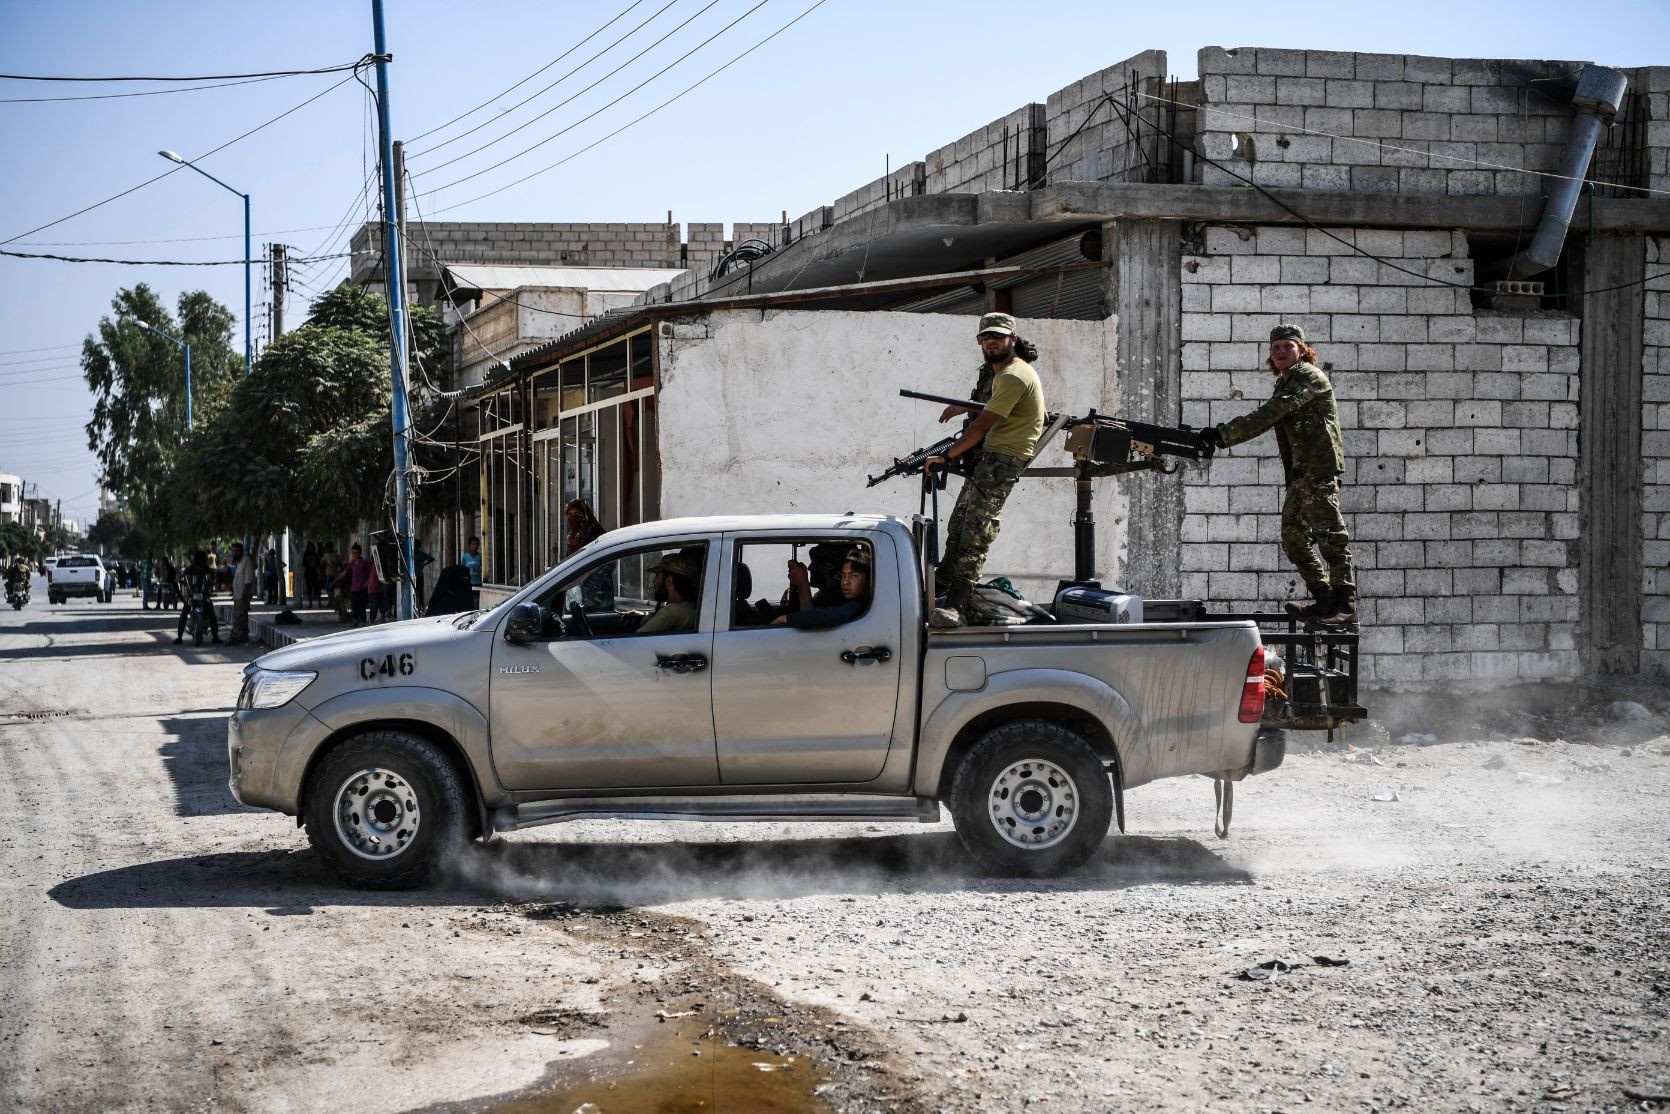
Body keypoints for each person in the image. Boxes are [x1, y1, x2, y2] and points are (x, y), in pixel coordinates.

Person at [1199, 323, 1356, 625]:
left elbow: (1270, 414)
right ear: (1270, 356)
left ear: (1302, 351)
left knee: (1330, 537)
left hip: (1318, 471)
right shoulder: (1284, 384)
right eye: (1276, 348)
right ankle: (1325, 601)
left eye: (1288, 346)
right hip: (1301, 475)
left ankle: (1345, 606)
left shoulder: (1309, 377)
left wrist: (1223, 434)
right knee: (1294, 538)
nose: (1281, 351)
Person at [922, 311, 1047, 627]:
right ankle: (940, 594)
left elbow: (981, 426)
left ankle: (955, 607)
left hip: (1002, 460)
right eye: (986, 337)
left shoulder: (1014, 374)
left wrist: (946, 457)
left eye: (998, 337)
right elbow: (986, 404)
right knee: (958, 528)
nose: (991, 342)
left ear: (1012, 340)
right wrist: (962, 406)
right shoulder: (999, 374)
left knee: (976, 534)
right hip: (990, 459)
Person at [772, 548, 872, 629]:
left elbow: (825, 616)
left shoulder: (863, 604)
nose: (845, 581)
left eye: (853, 576)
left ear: (868, 580)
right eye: (843, 575)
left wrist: (785, 619)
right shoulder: (837, 597)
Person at [635, 553, 699, 634]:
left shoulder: (671, 611)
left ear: (669, 580)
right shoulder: (690, 606)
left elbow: (638, 639)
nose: (654, 581)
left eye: (657, 576)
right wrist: (645, 615)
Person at [173, 550, 220, 644]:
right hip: (192, 594)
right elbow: (182, 575)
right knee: (184, 613)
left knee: (211, 613)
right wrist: (180, 578)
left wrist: (211, 583)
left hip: (204, 595)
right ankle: (179, 636)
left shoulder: (207, 569)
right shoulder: (191, 569)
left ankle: (215, 637)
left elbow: (211, 579)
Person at [332, 543, 373, 627]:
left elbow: (370, 574)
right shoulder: (351, 564)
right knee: (354, 606)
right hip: (354, 588)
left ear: (359, 553)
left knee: (362, 606)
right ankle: (356, 620)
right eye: (353, 553)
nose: (354, 554)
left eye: (356, 552)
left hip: (362, 588)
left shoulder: (364, 563)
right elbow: (344, 573)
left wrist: (367, 583)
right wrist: (334, 581)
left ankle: (363, 620)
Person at [229, 541, 258, 644]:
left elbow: (248, 579)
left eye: (235, 551)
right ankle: (243, 636)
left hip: (243, 594)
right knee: (241, 616)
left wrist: (244, 593)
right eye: (232, 551)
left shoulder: (246, 560)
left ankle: (236, 637)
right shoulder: (239, 562)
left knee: (239, 616)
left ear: (240, 551)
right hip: (238, 594)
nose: (233, 553)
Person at [462, 536, 483, 608]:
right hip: (469, 583)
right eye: (473, 544)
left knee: (477, 602)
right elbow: (462, 570)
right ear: (470, 545)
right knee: (469, 601)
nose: (475, 546)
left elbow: (483, 569)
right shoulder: (465, 557)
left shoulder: (480, 556)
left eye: (477, 544)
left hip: (478, 583)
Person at [301, 542, 321, 607]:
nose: (311, 549)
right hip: (308, 573)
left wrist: (319, 573)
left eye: (312, 547)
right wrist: (303, 574)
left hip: (314, 573)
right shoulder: (306, 555)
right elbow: (303, 565)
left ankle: (319, 603)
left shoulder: (315, 555)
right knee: (309, 589)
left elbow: (318, 565)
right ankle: (310, 603)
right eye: (310, 547)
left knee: (317, 588)